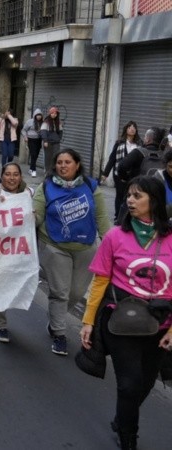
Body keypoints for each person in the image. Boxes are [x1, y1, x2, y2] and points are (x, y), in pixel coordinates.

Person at [79, 176, 172, 449]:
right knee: (129, 384)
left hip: (160, 324)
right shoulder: (115, 236)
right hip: (121, 320)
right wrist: (88, 321)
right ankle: (128, 436)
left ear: (154, 201)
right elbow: (99, 282)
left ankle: (122, 418)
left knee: (145, 383)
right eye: (129, 195)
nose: (130, 200)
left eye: (137, 196)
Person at [34, 149, 110, 356]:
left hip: (86, 247)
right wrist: (27, 216)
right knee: (60, 292)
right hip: (54, 246)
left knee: (76, 292)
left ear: (77, 165)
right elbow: (37, 215)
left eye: (67, 162)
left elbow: (102, 218)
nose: (63, 166)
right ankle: (59, 333)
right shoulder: (46, 187)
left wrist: (113, 245)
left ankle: (54, 320)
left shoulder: (90, 186)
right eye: (59, 162)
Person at [0, 163, 35, 342]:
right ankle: (0, 325)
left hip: (19, 250)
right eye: (7, 174)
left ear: (21, 177)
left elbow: (39, 218)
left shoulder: (29, 194)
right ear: (2, 176)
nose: (11, 178)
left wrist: (34, 215)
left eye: (15, 174)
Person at [100, 121, 140, 222]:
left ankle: (128, 216)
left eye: (134, 127)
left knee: (131, 195)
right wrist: (105, 174)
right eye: (130, 127)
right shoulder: (119, 143)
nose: (132, 129)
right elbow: (112, 159)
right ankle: (118, 216)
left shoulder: (139, 144)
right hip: (119, 174)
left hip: (133, 175)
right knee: (120, 195)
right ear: (126, 129)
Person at [22, 109, 44, 177]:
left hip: (39, 140)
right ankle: (34, 170)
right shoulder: (30, 122)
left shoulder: (42, 123)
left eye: (40, 115)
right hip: (31, 140)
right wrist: (25, 137)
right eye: (37, 115)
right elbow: (24, 130)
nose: (39, 117)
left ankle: (31, 168)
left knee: (36, 155)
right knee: (33, 154)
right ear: (35, 115)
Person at [40, 106, 63, 170]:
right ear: (50, 113)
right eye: (52, 113)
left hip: (56, 142)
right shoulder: (46, 121)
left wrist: (59, 138)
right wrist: (45, 141)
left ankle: (54, 171)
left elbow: (61, 131)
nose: (54, 115)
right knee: (48, 158)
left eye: (55, 113)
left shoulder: (58, 122)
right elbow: (43, 132)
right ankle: (47, 172)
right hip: (48, 142)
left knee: (56, 157)